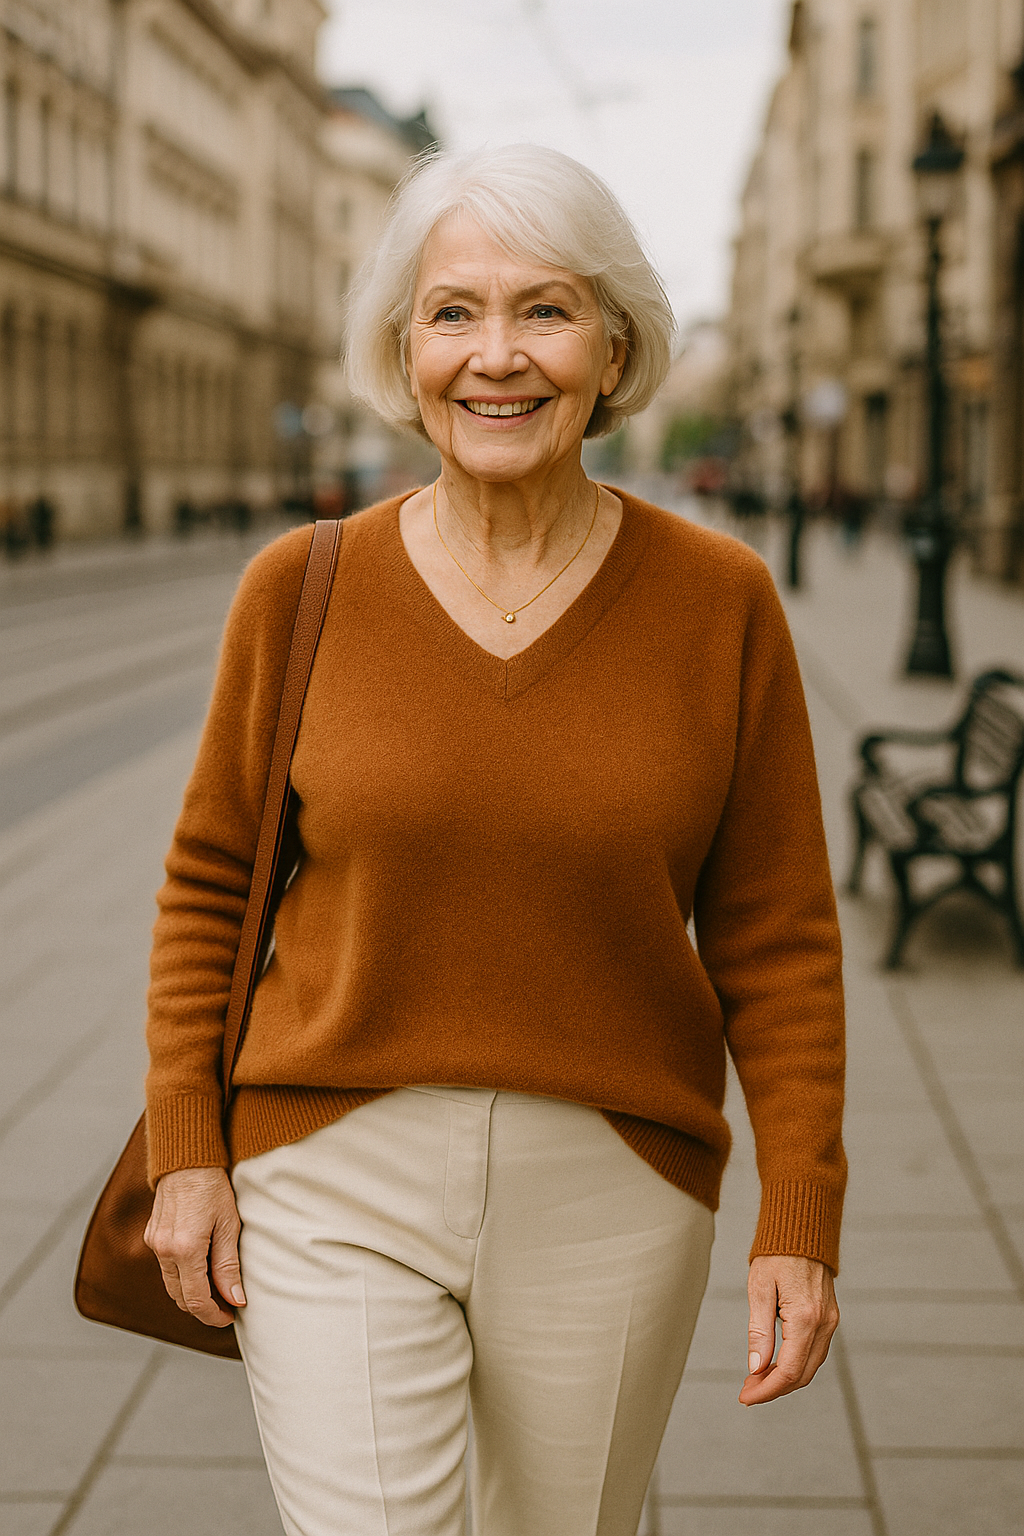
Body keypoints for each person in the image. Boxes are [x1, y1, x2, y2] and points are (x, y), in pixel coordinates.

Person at [143, 144, 845, 1536]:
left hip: (617, 1185)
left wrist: (800, 1215)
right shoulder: (304, 587)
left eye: (545, 308)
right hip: (331, 1165)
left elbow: (779, 933)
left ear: (615, 345)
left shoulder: (720, 601)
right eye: (452, 312)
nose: (496, 356)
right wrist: (187, 1151)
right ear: (403, 352)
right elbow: (210, 885)